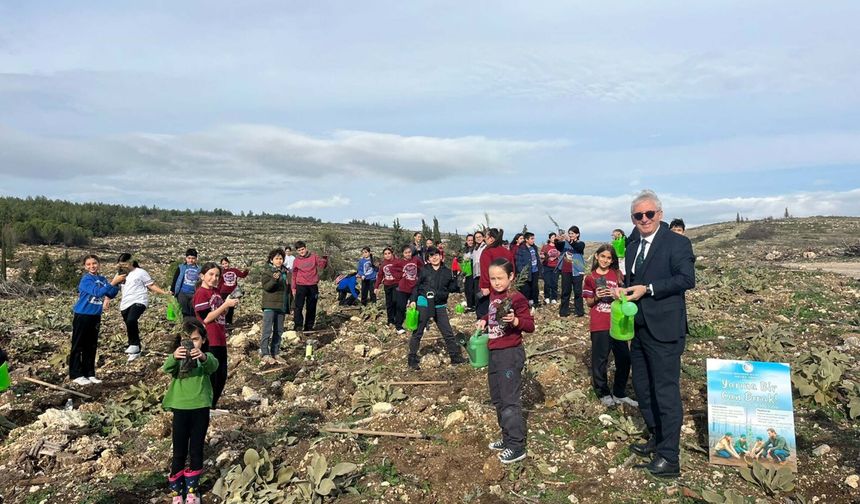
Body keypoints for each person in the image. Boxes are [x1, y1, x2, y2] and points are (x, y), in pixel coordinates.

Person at [617, 189, 695, 479]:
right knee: (643, 387)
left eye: (649, 214)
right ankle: (657, 438)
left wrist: (648, 289)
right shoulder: (632, 241)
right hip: (639, 328)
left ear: (659, 215)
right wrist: (624, 291)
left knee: (665, 392)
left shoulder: (677, 243)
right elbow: (633, 278)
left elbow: (687, 279)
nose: (644, 219)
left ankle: (670, 457)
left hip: (665, 329)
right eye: (639, 215)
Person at [477, 258, 535, 464]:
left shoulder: (516, 298)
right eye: (492, 278)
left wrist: (516, 321)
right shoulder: (495, 296)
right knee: (498, 397)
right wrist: (484, 319)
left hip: (509, 354)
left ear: (511, 277)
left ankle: (517, 446)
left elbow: (529, 325)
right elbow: (491, 313)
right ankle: (507, 437)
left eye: (500, 278)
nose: (496, 282)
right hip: (494, 353)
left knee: (510, 400)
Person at [163, 319, 218, 504]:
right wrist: (174, 356)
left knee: (196, 449)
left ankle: (192, 491)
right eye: (186, 340)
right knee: (178, 450)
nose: (191, 344)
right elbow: (166, 368)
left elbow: (213, 365)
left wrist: (202, 356)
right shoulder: (177, 361)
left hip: (200, 407)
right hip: (180, 407)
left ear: (203, 340)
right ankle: (176, 492)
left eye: (195, 339)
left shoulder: (205, 360)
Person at [583, 244, 635, 407]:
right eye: (603, 256)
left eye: (609, 257)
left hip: (618, 322)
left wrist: (619, 294)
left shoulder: (617, 274)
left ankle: (619, 392)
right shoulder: (590, 278)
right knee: (600, 359)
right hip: (600, 323)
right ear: (596, 256)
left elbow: (625, 294)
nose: (605, 260)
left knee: (624, 359)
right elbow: (589, 303)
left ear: (612, 260)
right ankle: (603, 392)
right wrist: (597, 297)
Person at [407, 247, 466, 370]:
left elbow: (452, 287)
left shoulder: (447, 271)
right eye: (431, 256)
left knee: (448, 332)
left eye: (436, 255)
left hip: (439, 304)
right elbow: (416, 287)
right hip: (424, 302)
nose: (434, 257)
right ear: (428, 259)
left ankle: (455, 357)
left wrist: (458, 281)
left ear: (441, 256)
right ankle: (412, 358)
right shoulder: (423, 270)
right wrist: (413, 300)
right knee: (418, 331)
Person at [70, 255, 125, 385]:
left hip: (95, 315)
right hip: (82, 314)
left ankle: (89, 373)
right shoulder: (86, 280)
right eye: (88, 264)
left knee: (91, 345)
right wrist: (112, 283)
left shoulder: (102, 279)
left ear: (98, 264)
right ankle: (76, 373)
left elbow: (110, 294)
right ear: (85, 266)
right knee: (78, 345)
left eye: (94, 263)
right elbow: (97, 292)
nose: (92, 266)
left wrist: (116, 284)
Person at [193, 262, 239, 411]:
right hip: (210, 339)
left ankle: (211, 406)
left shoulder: (215, 293)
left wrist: (225, 308)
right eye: (211, 274)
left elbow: (218, 313)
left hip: (220, 338)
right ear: (202, 276)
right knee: (213, 375)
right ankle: (206, 406)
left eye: (217, 275)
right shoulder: (201, 293)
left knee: (221, 375)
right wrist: (225, 305)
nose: (214, 278)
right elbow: (206, 318)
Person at [116, 253, 168, 363]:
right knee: (129, 325)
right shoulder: (120, 275)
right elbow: (113, 286)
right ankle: (135, 349)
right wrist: (106, 299)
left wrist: (164, 293)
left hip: (139, 300)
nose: (123, 266)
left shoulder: (140, 272)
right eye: (121, 264)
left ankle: (134, 344)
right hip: (125, 303)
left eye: (124, 264)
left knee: (131, 320)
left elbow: (151, 285)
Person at [260, 249, 289, 366]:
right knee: (267, 330)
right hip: (270, 305)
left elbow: (287, 291)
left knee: (279, 330)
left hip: (281, 306)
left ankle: (275, 352)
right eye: (276, 258)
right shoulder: (267, 272)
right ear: (271, 260)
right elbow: (267, 287)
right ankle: (265, 353)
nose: (279, 260)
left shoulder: (285, 272)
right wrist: (274, 279)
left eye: (281, 258)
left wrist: (289, 305)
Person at [290, 241, 328, 332]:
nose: (301, 251)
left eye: (302, 249)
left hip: (312, 286)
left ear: (306, 248)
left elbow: (322, 265)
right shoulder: (296, 261)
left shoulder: (314, 256)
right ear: (297, 251)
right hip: (300, 286)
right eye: (299, 250)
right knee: (298, 307)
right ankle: (298, 326)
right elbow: (294, 274)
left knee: (311, 307)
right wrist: (293, 287)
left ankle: (309, 326)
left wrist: (325, 258)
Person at [478, 228, 513, 319]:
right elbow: (512, 268)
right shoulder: (507, 252)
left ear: (491, 239)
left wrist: (485, 286)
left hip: (493, 286)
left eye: (486, 237)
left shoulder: (487, 252)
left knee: (491, 309)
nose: (484, 239)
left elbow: (486, 270)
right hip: (506, 284)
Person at [555, 227, 586, 317]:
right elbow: (558, 247)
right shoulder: (565, 244)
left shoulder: (581, 244)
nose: (570, 235)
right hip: (566, 270)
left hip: (577, 270)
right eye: (569, 233)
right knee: (565, 292)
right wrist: (557, 240)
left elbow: (578, 248)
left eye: (572, 233)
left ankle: (579, 312)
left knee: (577, 292)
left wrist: (569, 240)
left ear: (577, 234)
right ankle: (564, 311)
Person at [394, 245, 423, 334]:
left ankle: (415, 324)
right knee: (401, 307)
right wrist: (400, 276)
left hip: (414, 286)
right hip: (403, 288)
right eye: (406, 253)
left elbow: (422, 268)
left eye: (409, 252)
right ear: (403, 254)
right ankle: (398, 326)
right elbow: (392, 269)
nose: (408, 254)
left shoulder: (416, 259)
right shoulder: (399, 262)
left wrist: (420, 277)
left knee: (415, 306)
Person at [374, 247, 402, 326]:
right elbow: (380, 276)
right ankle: (390, 320)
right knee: (389, 303)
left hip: (396, 284)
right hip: (387, 285)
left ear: (392, 253)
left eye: (389, 253)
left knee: (396, 301)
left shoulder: (398, 262)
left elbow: (403, 272)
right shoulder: (383, 265)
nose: (387, 255)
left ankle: (398, 319)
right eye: (385, 254)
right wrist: (376, 287)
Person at [218, 257, 248, 325]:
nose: (225, 265)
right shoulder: (222, 272)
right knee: (224, 308)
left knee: (231, 308)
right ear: (221, 265)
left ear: (229, 263)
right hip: (224, 292)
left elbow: (242, 275)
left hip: (233, 292)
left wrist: (247, 269)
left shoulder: (234, 270)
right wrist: (218, 292)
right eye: (223, 264)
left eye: (226, 263)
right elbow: (220, 283)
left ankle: (229, 322)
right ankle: (222, 322)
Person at [171, 249, 200, 318]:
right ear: (186, 258)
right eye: (189, 258)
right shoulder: (181, 267)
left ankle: (192, 324)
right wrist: (172, 290)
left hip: (194, 293)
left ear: (196, 259)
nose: (191, 260)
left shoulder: (199, 269)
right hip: (182, 292)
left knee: (193, 311)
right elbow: (175, 279)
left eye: (193, 258)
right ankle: (185, 325)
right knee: (184, 310)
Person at [514, 232, 541, 307]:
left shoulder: (534, 247)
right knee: (526, 289)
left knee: (535, 288)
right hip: (526, 272)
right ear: (526, 239)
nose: (533, 240)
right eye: (531, 239)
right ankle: (525, 304)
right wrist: (522, 272)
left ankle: (535, 302)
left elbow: (537, 258)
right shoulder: (521, 249)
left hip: (535, 271)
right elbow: (519, 262)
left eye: (533, 238)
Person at [540, 233, 561, 304]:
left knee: (554, 283)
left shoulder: (558, 246)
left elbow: (561, 255)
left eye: (555, 237)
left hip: (556, 267)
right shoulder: (546, 247)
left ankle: (554, 297)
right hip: (547, 266)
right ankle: (547, 297)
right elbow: (541, 255)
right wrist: (545, 256)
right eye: (552, 237)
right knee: (547, 282)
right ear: (549, 238)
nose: (554, 238)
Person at [471, 231, 487, 316]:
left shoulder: (485, 247)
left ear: (483, 237)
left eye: (480, 236)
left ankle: (483, 313)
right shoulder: (475, 248)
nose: (478, 238)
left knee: (482, 293)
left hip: (483, 274)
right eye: (476, 237)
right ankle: (479, 313)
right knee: (477, 293)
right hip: (476, 274)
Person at [460, 234, 477, 311]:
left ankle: (474, 305)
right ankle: (470, 304)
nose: (470, 242)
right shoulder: (464, 250)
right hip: (467, 271)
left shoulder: (476, 249)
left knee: (474, 289)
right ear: (466, 241)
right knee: (468, 289)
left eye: (471, 240)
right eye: (469, 240)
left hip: (474, 270)